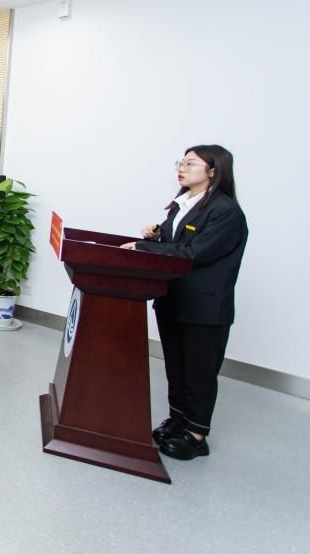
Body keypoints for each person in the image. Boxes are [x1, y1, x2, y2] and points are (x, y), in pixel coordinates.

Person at [120, 145, 248, 461]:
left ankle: (196, 434)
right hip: (173, 299)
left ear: (213, 170)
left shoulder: (226, 211)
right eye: (181, 162)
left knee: (199, 372)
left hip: (204, 308)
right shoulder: (182, 205)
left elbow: (194, 253)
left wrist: (144, 248)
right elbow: (176, 242)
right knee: (176, 367)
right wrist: (156, 236)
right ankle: (177, 421)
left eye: (191, 163)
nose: (182, 168)